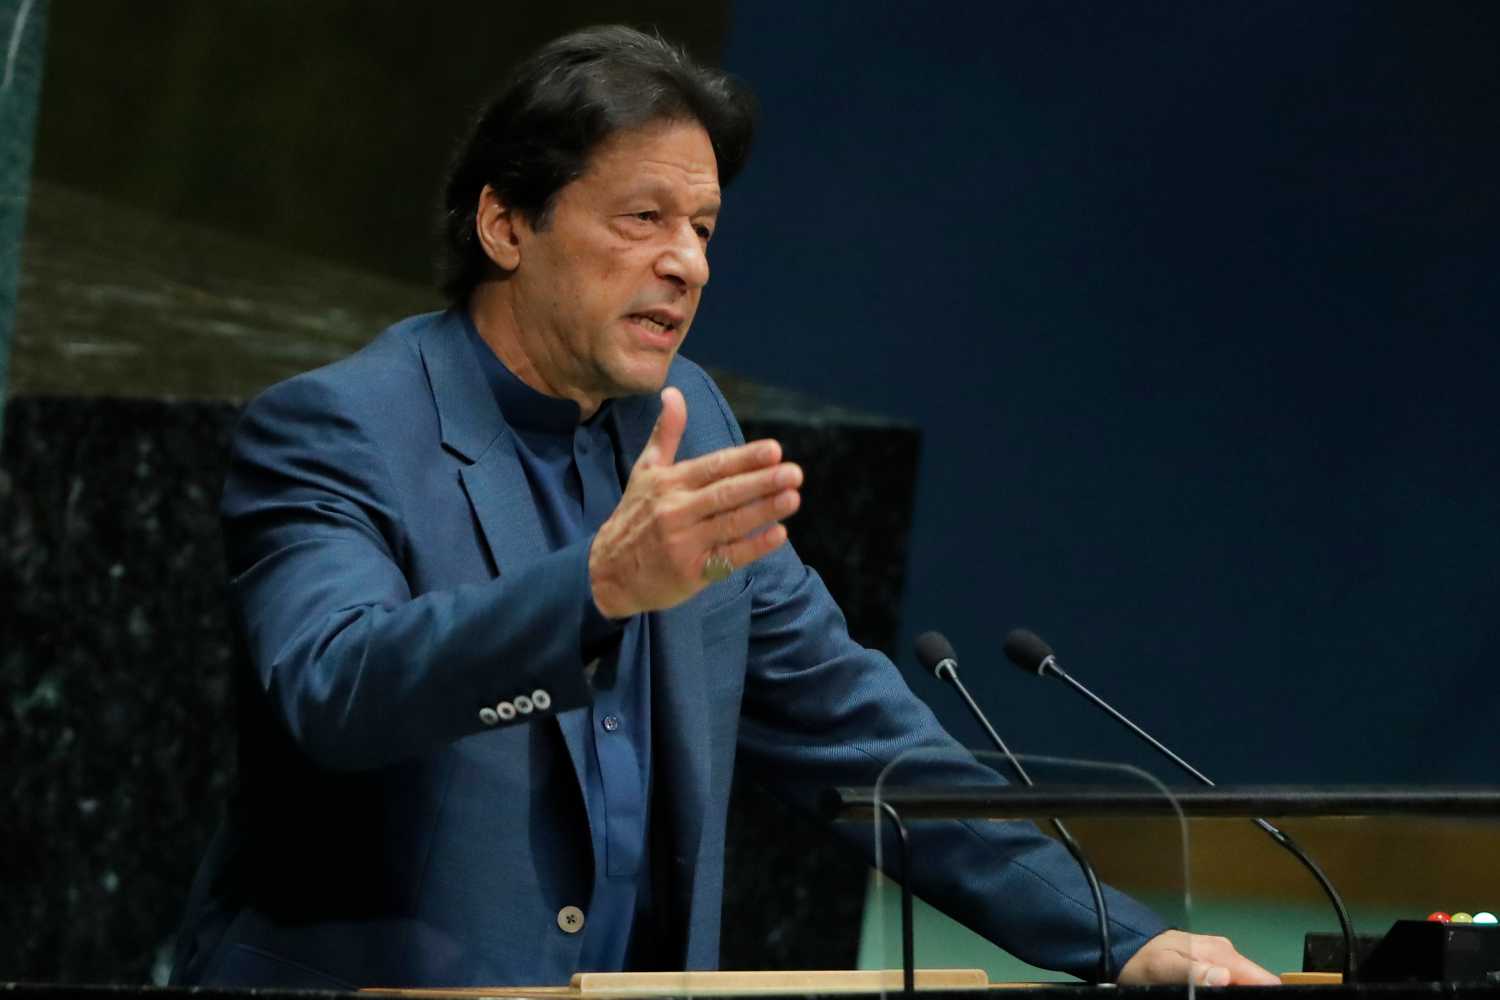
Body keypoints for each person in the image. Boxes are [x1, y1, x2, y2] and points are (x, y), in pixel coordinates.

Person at [171, 25, 1278, 990]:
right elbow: (333, 688)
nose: (687, 263)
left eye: (703, 226)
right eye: (644, 216)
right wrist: (595, 593)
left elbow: (856, 732)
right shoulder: (341, 428)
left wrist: (1119, 938)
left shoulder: (686, 419)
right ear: (505, 225)